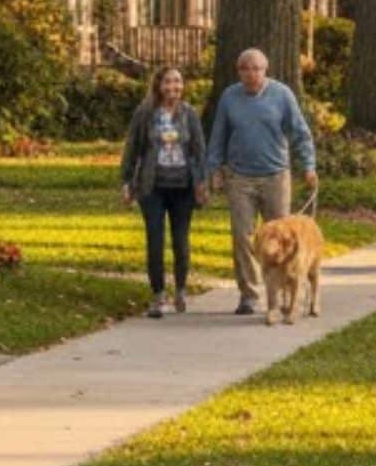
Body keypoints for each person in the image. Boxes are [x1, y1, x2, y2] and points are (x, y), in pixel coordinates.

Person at [205, 46, 317, 316]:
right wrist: (214, 169)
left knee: (281, 238)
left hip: (275, 175)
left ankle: (282, 292)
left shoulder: (282, 95)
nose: (251, 74)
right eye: (246, 69)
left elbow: (300, 132)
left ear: (265, 70)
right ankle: (249, 295)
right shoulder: (230, 97)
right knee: (243, 236)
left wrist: (309, 166)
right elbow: (218, 136)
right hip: (239, 177)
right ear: (239, 71)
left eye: (257, 69)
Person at [120, 66, 210, 316]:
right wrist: (126, 182)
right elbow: (132, 149)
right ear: (159, 85)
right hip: (152, 186)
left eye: (178, 82)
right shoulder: (145, 113)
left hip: (183, 186)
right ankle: (158, 294)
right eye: (169, 82)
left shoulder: (189, 114)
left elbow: (199, 150)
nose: (174, 87)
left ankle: (181, 290)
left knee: (181, 241)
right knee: (155, 240)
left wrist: (202, 182)